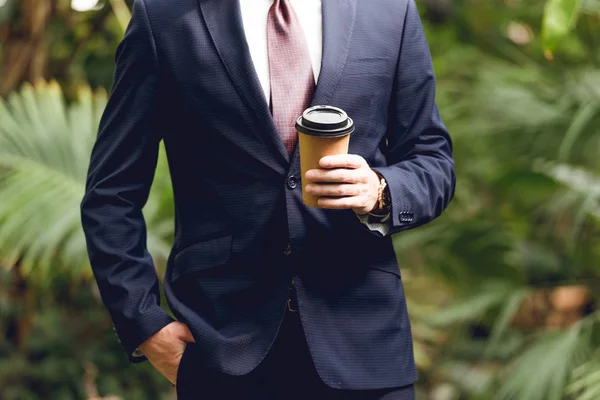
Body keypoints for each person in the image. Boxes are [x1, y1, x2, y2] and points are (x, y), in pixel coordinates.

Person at [80, 0, 455, 398]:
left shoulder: (389, 10)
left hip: (364, 343)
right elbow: (111, 194)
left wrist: (380, 189)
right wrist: (144, 325)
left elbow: (433, 159)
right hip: (220, 346)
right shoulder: (164, 16)